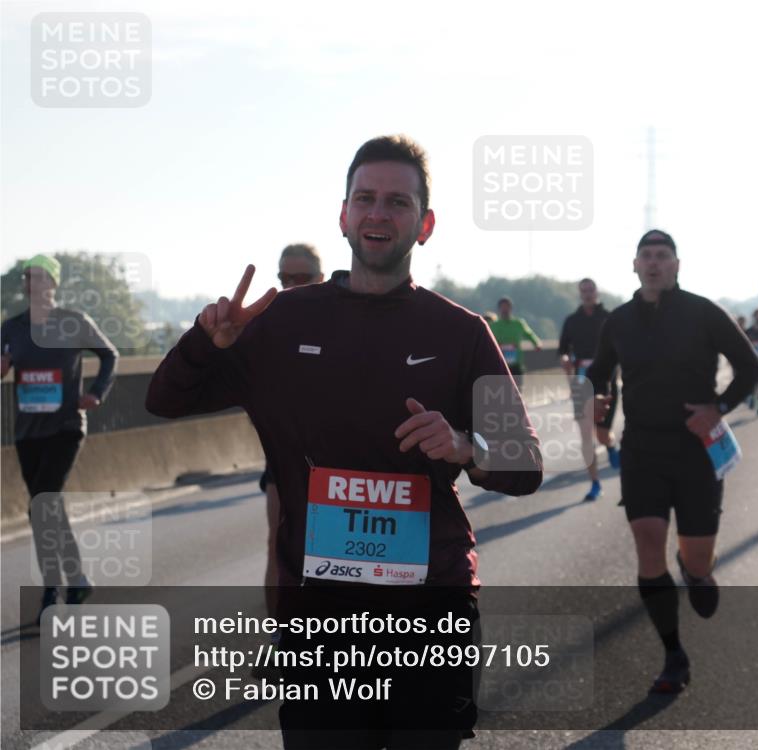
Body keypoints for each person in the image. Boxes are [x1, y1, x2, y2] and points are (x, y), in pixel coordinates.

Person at [146, 135, 543, 748]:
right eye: (365, 199)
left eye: (397, 202)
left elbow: (525, 464)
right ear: (343, 216)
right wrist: (205, 342)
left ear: (425, 224)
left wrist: (467, 446)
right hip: (321, 616)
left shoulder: (462, 333)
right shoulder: (279, 322)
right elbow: (164, 400)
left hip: (430, 609)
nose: (378, 213)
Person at [586, 230, 758, 694]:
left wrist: (717, 409)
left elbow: (751, 367)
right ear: (635, 265)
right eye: (647, 256)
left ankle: (695, 568)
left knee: (697, 557)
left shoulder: (703, 313)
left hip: (696, 451)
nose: (655, 263)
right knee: (647, 542)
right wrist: (602, 404)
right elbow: (600, 372)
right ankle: (673, 656)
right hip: (642, 449)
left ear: (677, 265)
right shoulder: (619, 321)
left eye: (663, 256)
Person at [1, 254, 119, 623]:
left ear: (53, 284)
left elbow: (110, 355)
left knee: (43, 505)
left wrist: (96, 393)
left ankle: (52, 593)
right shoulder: (12, 328)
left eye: (41, 278)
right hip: (27, 431)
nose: (33, 284)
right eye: (28, 278)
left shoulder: (73, 322)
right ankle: (78, 578)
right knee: (47, 508)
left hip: (66, 427)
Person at [253, 243, 325, 680]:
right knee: (278, 545)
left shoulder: (346, 318)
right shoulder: (269, 324)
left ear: (320, 277)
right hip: (284, 456)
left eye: (301, 279)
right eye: (285, 279)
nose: (292, 287)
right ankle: (282, 639)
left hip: (341, 459)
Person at [558, 278, 620, 501]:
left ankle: (611, 446)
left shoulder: (609, 317)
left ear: (597, 291)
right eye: (583, 290)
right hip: (582, 384)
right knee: (586, 436)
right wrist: (565, 359)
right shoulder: (572, 321)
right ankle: (595, 483)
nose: (587, 293)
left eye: (590, 289)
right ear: (579, 293)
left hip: (607, 384)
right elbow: (563, 350)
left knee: (602, 434)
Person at [488, 297, 541, 388]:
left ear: (511, 308)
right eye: (502, 307)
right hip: (501, 363)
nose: (505, 309)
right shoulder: (493, 326)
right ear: (499, 309)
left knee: (517, 389)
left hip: (516, 363)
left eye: (507, 306)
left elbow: (529, 334)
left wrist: (537, 343)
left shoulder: (518, 323)